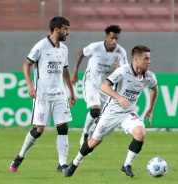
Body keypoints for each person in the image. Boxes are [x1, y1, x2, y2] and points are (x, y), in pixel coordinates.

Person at [64, 45, 158, 178]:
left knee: (140, 133)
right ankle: (74, 163)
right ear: (136, 60)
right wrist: (119, 97)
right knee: (94, 142)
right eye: (146, 59)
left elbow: (155, 89)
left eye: (149, 58)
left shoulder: (149, 76)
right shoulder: (123, 71)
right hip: (111, 112)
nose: (149, 61)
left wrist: (150, 109)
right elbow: (104, 86)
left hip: (128, 113)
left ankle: (126, 165)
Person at [9, 16, 76, 173]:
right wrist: (30, 85)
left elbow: (65, 70)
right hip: (42, 96)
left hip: (59, 95)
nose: (68, 32)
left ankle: (62, 165)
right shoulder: (40, 46)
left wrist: (71, 91)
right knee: (38, 130)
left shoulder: (64, 49)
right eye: (66, 29)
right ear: (56, 29)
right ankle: (20, 157)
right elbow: (26, 65)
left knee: (63, 127)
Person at [70, 25, 128, 148]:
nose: (114, 41)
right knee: (95, 110)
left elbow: (125, 70)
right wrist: (75, 72)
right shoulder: (95, 47)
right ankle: (85, 132)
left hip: (107, 88)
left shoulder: (121, 52)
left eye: (116, 39)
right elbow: (81, 53)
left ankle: (91, 131)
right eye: (112, 38)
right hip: (91, 84)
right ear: (106, 37)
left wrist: (120, 71)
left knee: (102, 116)